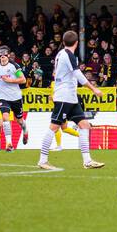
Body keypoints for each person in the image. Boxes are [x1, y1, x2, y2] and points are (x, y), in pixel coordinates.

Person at [40, 30, 105, 171]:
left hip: (70, 97)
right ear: (77, 43)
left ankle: (87, 161)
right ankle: (43, 160)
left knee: (84, 125)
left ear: (63, 42)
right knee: (54, 127)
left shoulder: (61, 54)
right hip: (64, 97)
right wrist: (94, 89)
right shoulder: (68, 55)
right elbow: (77, 74)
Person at [0, 47, 27, 151]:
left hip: (15, 97)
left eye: (4, 54)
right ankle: (9, 143)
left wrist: (10, 80)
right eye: (1, 55)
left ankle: (25, 130)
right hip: (3, 97)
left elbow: (23, 80)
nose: (3, 56)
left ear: (8, 56)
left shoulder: (14, 66)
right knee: (5, 118)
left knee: (19, 121)